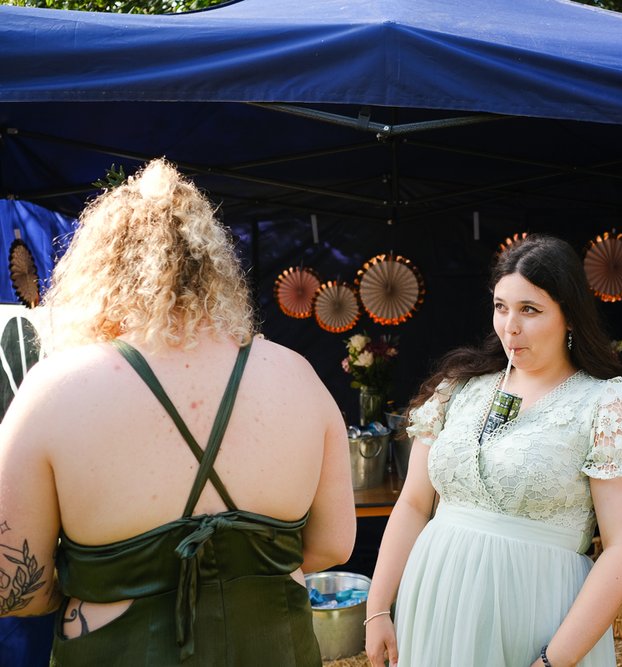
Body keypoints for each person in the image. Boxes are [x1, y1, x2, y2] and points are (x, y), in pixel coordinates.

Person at [0, 158, 356, 666]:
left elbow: (13, 587)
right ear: (215, 265)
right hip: (274, 647)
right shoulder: (297, 376)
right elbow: (335, 545)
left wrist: (97, 586)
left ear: (96, 269)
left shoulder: (53, 392)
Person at [365, 234, 622, 667]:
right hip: (435, 600)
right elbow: (415, 503)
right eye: (501, 306)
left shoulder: (608, 405)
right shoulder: (459, 387)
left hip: (535, 616)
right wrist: (378, 606)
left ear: (569, 316)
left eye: (530, 310)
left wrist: (554, 660)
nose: (510, 326)